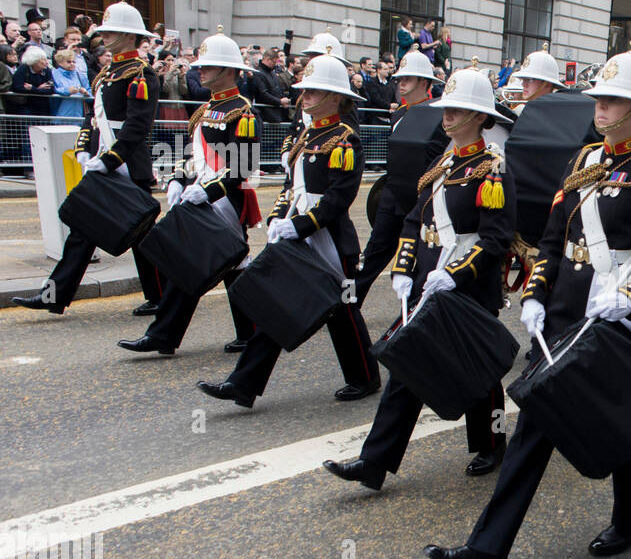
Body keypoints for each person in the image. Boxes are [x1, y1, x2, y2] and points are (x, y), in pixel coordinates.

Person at [423, 50, 631, 559]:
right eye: (599, 99)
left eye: (614, 101)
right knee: (533, 428)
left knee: (621, 421)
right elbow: (551, 241)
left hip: (620, 322)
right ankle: (486, 549)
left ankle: (629, 519)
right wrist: (537, 294)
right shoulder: (581, 159)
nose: (601, 108)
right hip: (567, 313)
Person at [324, 65, 516, 489]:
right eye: (446, 110)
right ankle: (375, 463)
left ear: (480, 117)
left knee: (478, 371)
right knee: (408, 367)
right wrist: (404, 268)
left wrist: (456, 274)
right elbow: (414, 221)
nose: (446, 117)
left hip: (466, 285)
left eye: (458, 111)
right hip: (429, 282)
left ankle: (493, 441)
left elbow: (496, 239)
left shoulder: (493, 168)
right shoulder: (442, 163)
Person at [196, 50, 379, 407]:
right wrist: (279, 218)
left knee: (342, 311)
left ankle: (365, 376)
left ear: (335, 98)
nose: (304, 97)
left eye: (312, 91)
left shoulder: (344, 139)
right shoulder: (306, 137)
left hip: (328, 240)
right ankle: (244, 384)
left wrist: (301, 225)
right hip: (298, 233)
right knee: (276, 306)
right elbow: (289, 187)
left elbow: (337, 201)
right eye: (304, 90)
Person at [13, 0, 165, 316]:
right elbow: (91, 118)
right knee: (83, 231)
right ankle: (54, 295)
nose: (104, 36)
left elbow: (137, 127)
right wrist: (84, 148)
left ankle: (162, 296)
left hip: (126, 166)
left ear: (130, 36)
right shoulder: (107, 73)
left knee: (144, 237)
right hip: (103, 160)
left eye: (112, 31)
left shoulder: (142, 74)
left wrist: (110, 160)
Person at [118, 28, 262, 356]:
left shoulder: (243, 112)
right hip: (200, 194)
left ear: (228, 71)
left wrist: (207, 191)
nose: (200, 70)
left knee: (201, 262)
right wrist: (178, 180)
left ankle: (165, 336)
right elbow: (192, 154)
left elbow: (242, 166)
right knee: (229, 261)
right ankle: (250, 332)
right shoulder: (205, 109)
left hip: (223, 199)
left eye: (208, 66)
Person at [354, 49, 449, 304]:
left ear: (425, 82)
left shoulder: (440, 115)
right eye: (400, 79)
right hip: (392, 196)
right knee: (373, 255)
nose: (401, 84)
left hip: (420, 200)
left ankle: (412, 316)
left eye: (408, 79)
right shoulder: (398, 114)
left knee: (419, 262)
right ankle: (348, 304)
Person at [12, 45, 55, 116]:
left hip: (43, 107)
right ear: (34, 60)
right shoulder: (23, 69)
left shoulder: (47, 70)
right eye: (43, 60)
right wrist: (39, 89)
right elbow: (17, 88)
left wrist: (33, 88)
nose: (46, 62)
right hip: (26, 107)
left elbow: (51, 90)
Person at [250, 48, 291, 123]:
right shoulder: (258, 73)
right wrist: (280, 101)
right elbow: (263, 94)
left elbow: (278, 90)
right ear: (268, 59)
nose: (275, 65)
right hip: (266, 114)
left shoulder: (272, 73)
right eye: (274, 62)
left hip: (277, 113)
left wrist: (283, 99)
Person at [49, 48, 90, 119]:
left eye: (74, 62)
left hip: (78, 114)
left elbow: (89, 91)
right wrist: (68, 90)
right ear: (60, 63)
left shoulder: (80, 75)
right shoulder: (53, 73)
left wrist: (86, 93)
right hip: (59, 113)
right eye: (69, 62)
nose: (72, 64)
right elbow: (52, 89)